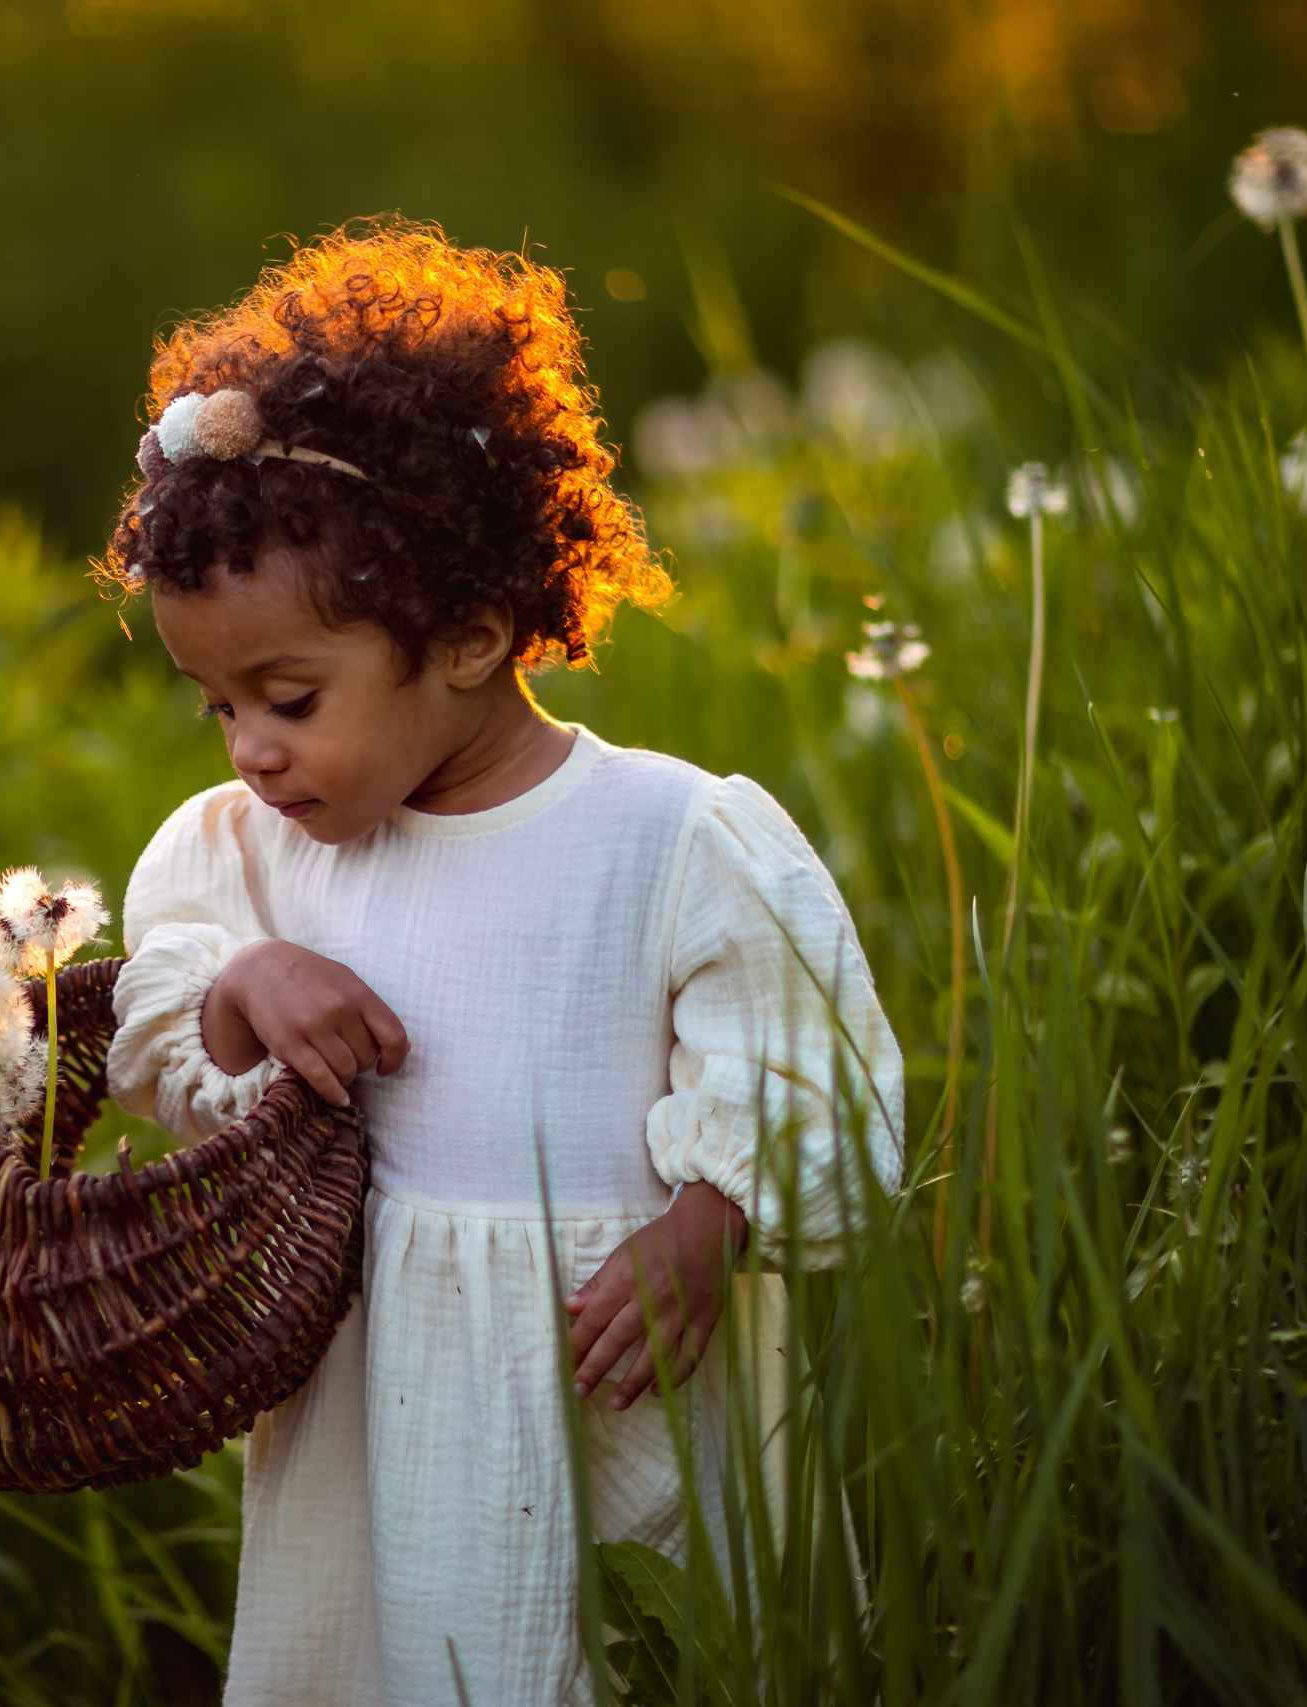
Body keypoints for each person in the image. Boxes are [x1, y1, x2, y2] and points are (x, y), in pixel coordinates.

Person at [98, 222, 904, 1706]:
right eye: (216, 707)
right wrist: (242, 987)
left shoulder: (672, 837)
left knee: (644, 1659)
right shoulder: (254, 855)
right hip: (377, 1410)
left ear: (468, 636)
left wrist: (712, 1221)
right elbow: (148, 1019)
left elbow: (815, 1068)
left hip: (616, 1379)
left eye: (287, 695)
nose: (251, 749)